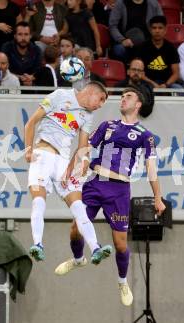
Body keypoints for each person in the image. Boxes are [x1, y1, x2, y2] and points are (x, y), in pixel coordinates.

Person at [54, 85, 166, 307]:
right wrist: (70, 170)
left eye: (128, 96)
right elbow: (84, 149)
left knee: (120, 244)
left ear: (138, 104)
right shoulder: (107, 126)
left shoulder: (145, 136)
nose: (123, 99)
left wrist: (158, 197)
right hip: (95, 183)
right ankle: (78, 260)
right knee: (76, 228)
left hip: (119, 190)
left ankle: (122, 282)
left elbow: (151, 168)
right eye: (122, 96)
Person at [24, 81, 113, 263]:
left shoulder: (87, 116)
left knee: (79, 207)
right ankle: (38, 244)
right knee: (39, 200)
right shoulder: (59, 95)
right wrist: (28, 148)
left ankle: (95, 248)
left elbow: (82, 147)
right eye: (101, 99)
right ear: (90, 91)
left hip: (63, 163)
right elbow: (31, 122)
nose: (101, 105)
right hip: (43, 154)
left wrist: (76, 167)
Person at [136, 15, 182, 89]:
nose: (157, 31)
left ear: (165, 30)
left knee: (178, 89)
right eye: (154, 28)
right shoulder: (142, 47)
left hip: (167, 83)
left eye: (160, 28)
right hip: (147, 83)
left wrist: (166, 85)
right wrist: (152, 84)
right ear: (150, 30)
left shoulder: (171, 48)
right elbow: (138, 72)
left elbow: (176, 73)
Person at [2, 22, 42, 86]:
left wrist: (31, 78)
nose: (23, 38)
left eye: (26, 34)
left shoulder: (36, 50)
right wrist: (19, 77)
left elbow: (38, 71)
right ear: (15, 36)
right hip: (11, 84)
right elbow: (3, 69)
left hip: (31, 84)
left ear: (30, 36)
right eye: (20, 34)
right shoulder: (7, 48)